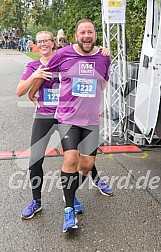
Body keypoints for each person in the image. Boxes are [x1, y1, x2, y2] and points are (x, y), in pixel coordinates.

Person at [16, 30, 112, 221]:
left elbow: (89, 62)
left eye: (47, 41)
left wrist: (102, 51)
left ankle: (80, 189)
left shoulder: (65, 57)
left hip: (67, 115)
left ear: (53, 43)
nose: (43, 44)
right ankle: (36, 201)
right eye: (39, 41)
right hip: (44, 115)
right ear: (35, 45)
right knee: (35, 159)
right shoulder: (33, 65)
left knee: (77, 155)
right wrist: (34, 76)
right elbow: (20, 91)